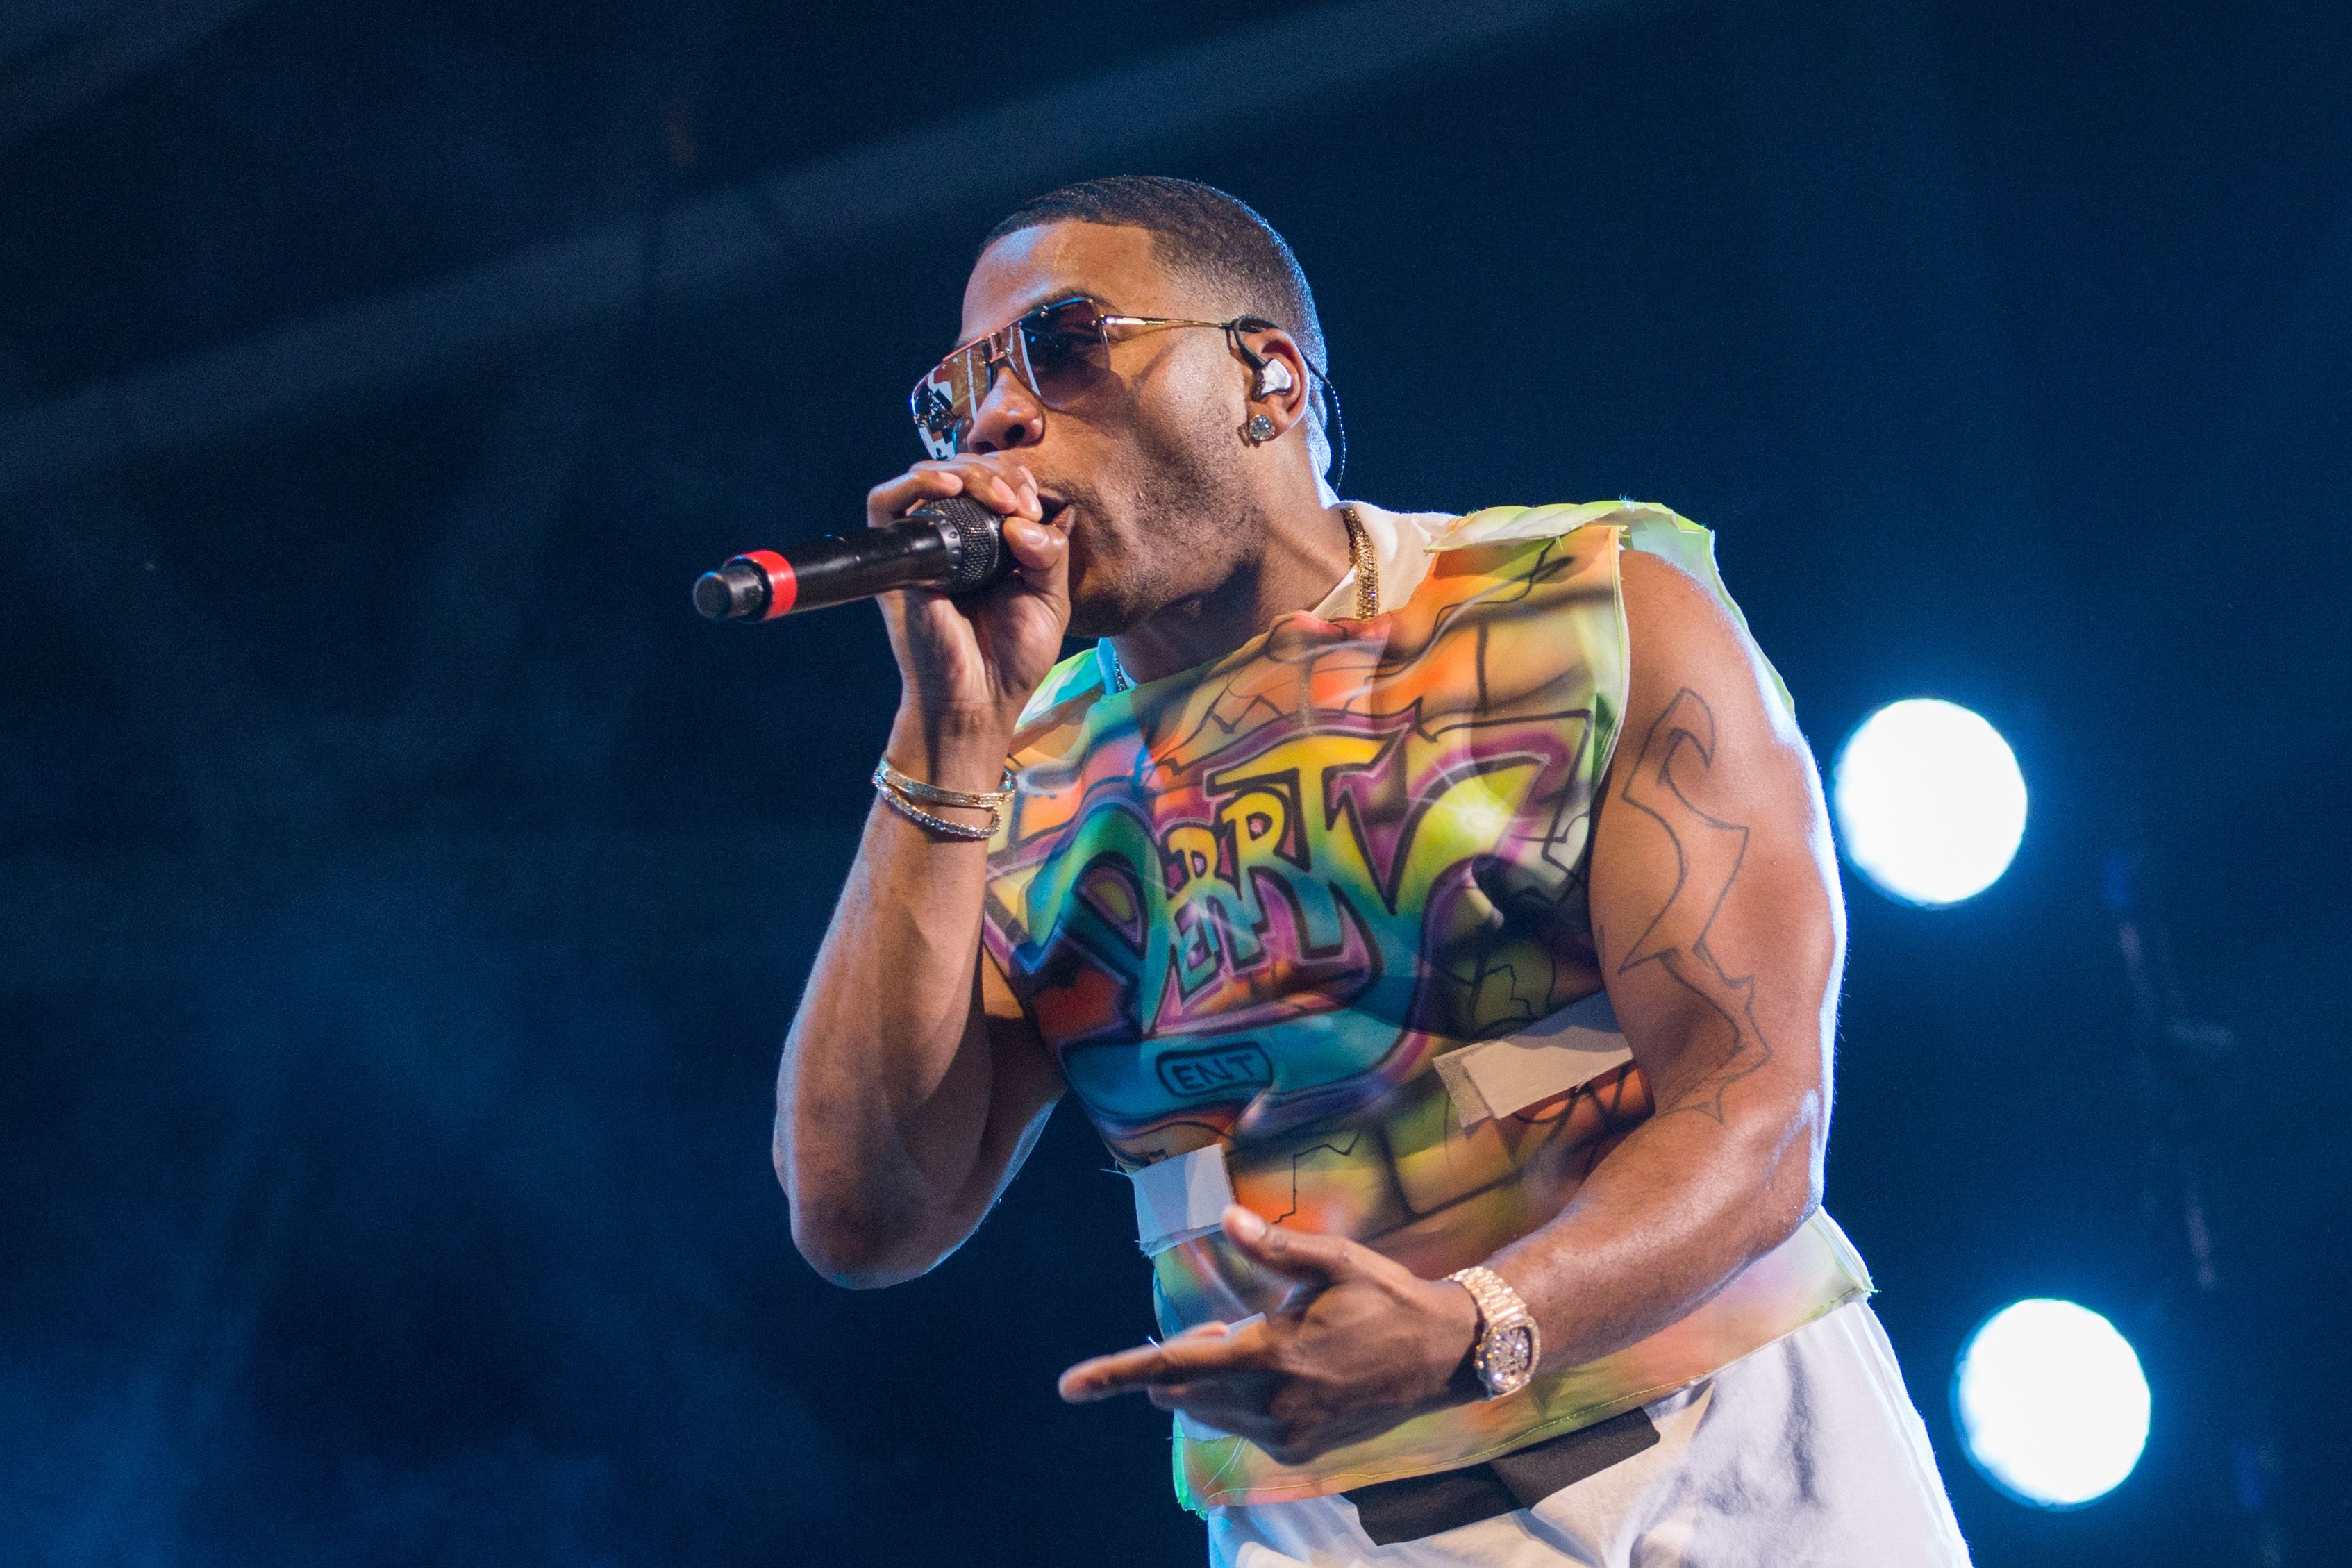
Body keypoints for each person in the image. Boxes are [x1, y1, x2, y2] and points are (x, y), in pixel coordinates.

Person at [774, 175, 1971, 1566]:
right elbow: (864, 1215)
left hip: (1742, 1471)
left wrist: (1476, 1323)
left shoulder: (1582, 606)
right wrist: (942, 736)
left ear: (1265, 378)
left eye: (1060, 345)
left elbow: (1756, 1106)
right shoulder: (1010, 782)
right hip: (1338, 1534)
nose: (997, 420)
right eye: (960, 392)